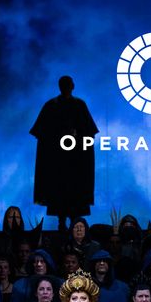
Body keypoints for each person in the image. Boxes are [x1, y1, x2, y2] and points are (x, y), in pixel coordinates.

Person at [30, 76, 99, 230]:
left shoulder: (79, 105)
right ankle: (62, 222)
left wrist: (77, 137)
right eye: (64, 85)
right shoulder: (51, 106)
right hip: (57, 160)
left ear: (72, 86)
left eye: (68, 85)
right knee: (59, 192)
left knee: (75, 192)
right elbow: (41, 134)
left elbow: (89, 133)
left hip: (76, 159)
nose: (66, 87)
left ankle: (73, 222)